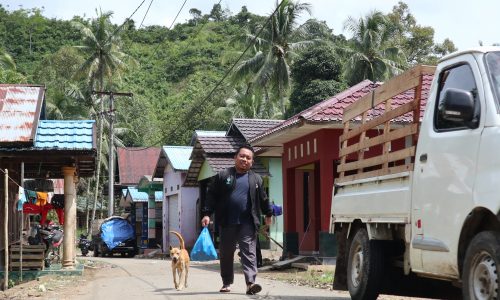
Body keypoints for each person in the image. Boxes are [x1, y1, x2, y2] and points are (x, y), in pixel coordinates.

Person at [201, 145, 272, 295]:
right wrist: (207, 213)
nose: (245, 160)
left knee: (249, 253)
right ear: (235, 157)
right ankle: (226, 282)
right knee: (226, 253)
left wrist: (268, 214)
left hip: (248, 222)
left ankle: (250, 283)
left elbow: (263, 199)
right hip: (227, 221)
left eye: (248, 158)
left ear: (252, 162)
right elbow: (211, 195)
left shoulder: (256, 179)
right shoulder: (223, 175)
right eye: (242, 156)